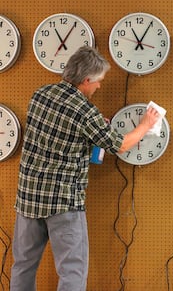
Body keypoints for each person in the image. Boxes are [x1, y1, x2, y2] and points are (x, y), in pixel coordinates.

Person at [10, 46, 159, 291]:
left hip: (28, 197)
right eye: (98, 81)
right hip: (63, 202)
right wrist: (145, 125)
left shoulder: (41, 94)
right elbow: (119, 145)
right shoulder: (85, 111)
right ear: (86, 80)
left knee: (23, 265)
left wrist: (93, 128)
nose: (99, 86)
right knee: (72, 272)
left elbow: (56, 133)